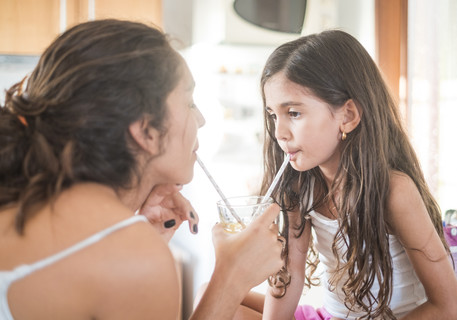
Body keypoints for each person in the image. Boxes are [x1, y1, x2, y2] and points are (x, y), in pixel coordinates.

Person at [0, 19, 284, 319]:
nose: (200, 119)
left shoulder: (23, 198)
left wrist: (137, 230)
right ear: (145, 130)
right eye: (189, 102)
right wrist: (231, 278)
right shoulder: (134, 257)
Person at [234, 30, 457, 319]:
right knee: (222, 298)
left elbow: (449, 308)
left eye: (293, 113)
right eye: (272, 115)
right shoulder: (300, 186)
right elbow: (288, 279)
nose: (279, 133)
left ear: (348, 116)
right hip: (332, 315)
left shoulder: (394, 191)